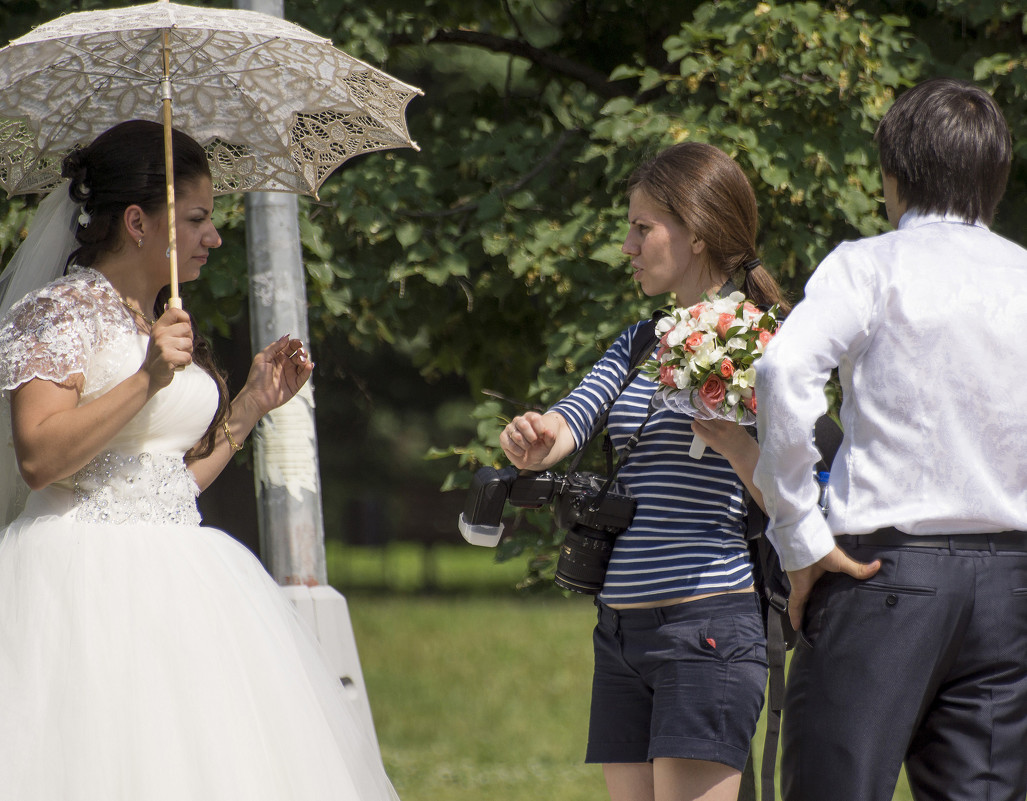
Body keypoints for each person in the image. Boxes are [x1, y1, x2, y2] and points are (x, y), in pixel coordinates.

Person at [0, 120, 400, 801]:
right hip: (80, 581)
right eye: (196, 218)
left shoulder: (155, 315)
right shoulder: (57, 313)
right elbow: (40, 456)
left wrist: (246, 407)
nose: (213, 235)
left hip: (184, 578)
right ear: (137, 221)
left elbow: (162, 483)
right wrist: (147, 379)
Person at [753, 77, 1027, 801]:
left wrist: (799, 532)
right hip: (1009, 584)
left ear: (893, 175)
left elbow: (782, 369)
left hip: (883, 576)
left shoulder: (868, 265)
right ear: (995, 179)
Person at [500, 142, 790, 801]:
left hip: (706, 625)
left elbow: (795, 499)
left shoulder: (763, 347)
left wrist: (738, 446)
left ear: (695, 232)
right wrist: (532, 437)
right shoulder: (638, 342)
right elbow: (568, 421)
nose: (626, 247)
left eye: (642, 228)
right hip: (620, 631)